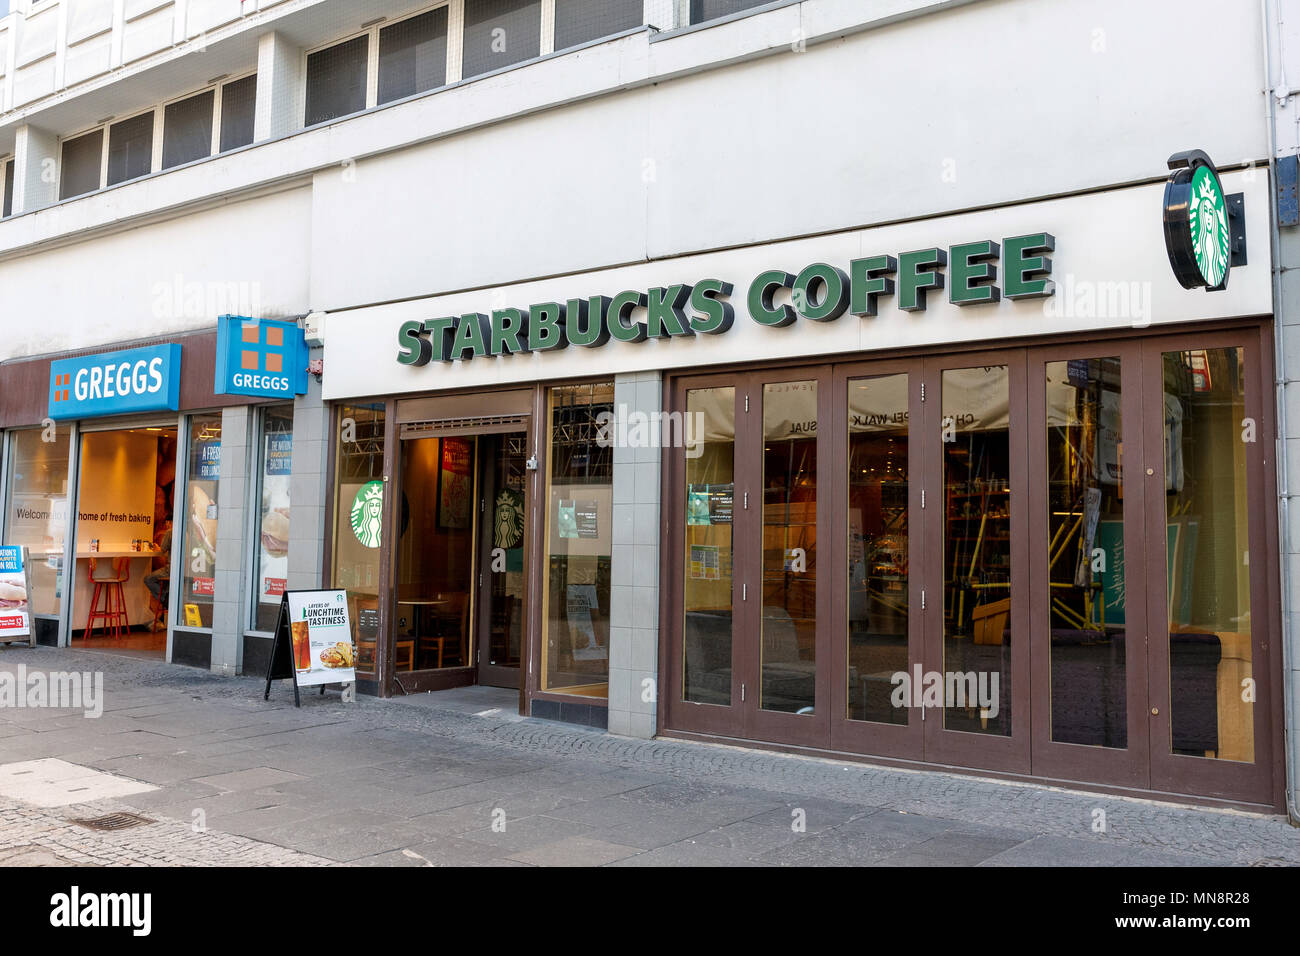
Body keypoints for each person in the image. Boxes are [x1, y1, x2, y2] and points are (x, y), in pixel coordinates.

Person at [145, 524, 171, 631]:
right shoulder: (187, 531)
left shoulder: (169, 532)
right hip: (181, 570)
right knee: (164, 586)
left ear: (168, 522)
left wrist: (157, 548)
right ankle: (166, 598)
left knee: (148, 579)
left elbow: (162, 550)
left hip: (170, 569)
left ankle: (165, 600)